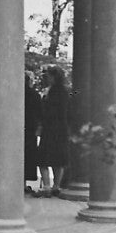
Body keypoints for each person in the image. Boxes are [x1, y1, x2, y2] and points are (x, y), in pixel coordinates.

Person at [36, 66, 71, 197]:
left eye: (49, 75)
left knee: (43, 159)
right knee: (59, 159)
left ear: (54, 77)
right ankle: (56, 185)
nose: (47, 78)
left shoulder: (52, 93)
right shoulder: (66, 92)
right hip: (62, 129)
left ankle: (46, 186)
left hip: (50, 128)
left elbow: (47, 110)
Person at [23, 70, 43, 196]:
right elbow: (40, 112)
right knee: (28, 155)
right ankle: (24, 182)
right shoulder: (34, 95)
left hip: (16, 127)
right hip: (30, 129)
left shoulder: (13, 94)